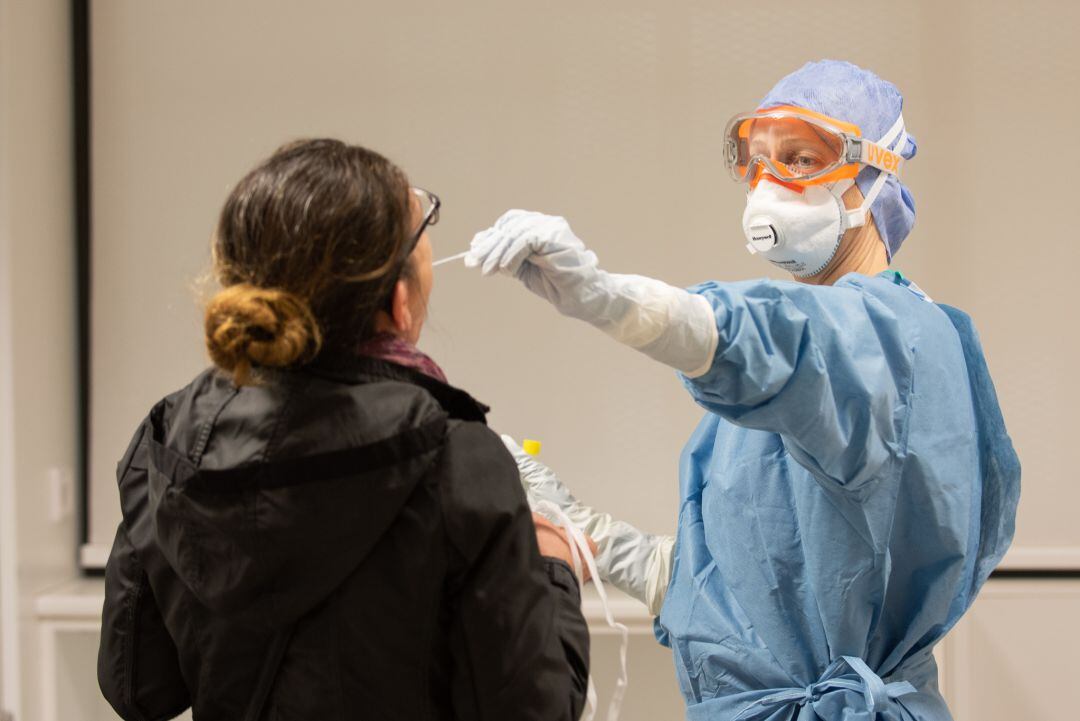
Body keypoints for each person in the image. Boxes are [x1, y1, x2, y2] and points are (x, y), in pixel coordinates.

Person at [468, 60, 1020, 720]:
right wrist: (594, 535)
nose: (767, 184)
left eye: (799, 159)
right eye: (756, 162)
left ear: (873, 179)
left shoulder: (882, 343)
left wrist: (604, 297)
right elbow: (756, 582)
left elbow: (761, 342)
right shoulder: (817, 362)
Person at [97, 138, 592, 721]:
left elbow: (139, 688)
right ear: (400, 302)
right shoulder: (454, 460)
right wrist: (553, 564)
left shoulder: (168, 436)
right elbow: (536, 711)